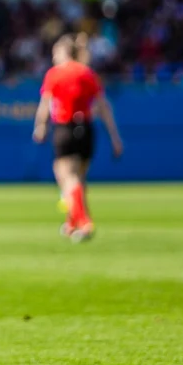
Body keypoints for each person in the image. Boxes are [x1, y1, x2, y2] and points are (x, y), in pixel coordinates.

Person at [33, 33, 123, 242]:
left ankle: (84, 222)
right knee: (79, 180)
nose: (54, 56)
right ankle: (71, 223)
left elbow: (45, 104)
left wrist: (40, 127)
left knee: (66, 175)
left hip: (65, 127)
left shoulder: (55, 74)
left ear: (64, 52)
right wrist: (115, 137)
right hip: (87, 129)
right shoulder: (87, 73)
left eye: (56, 52)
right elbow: (103, 106)